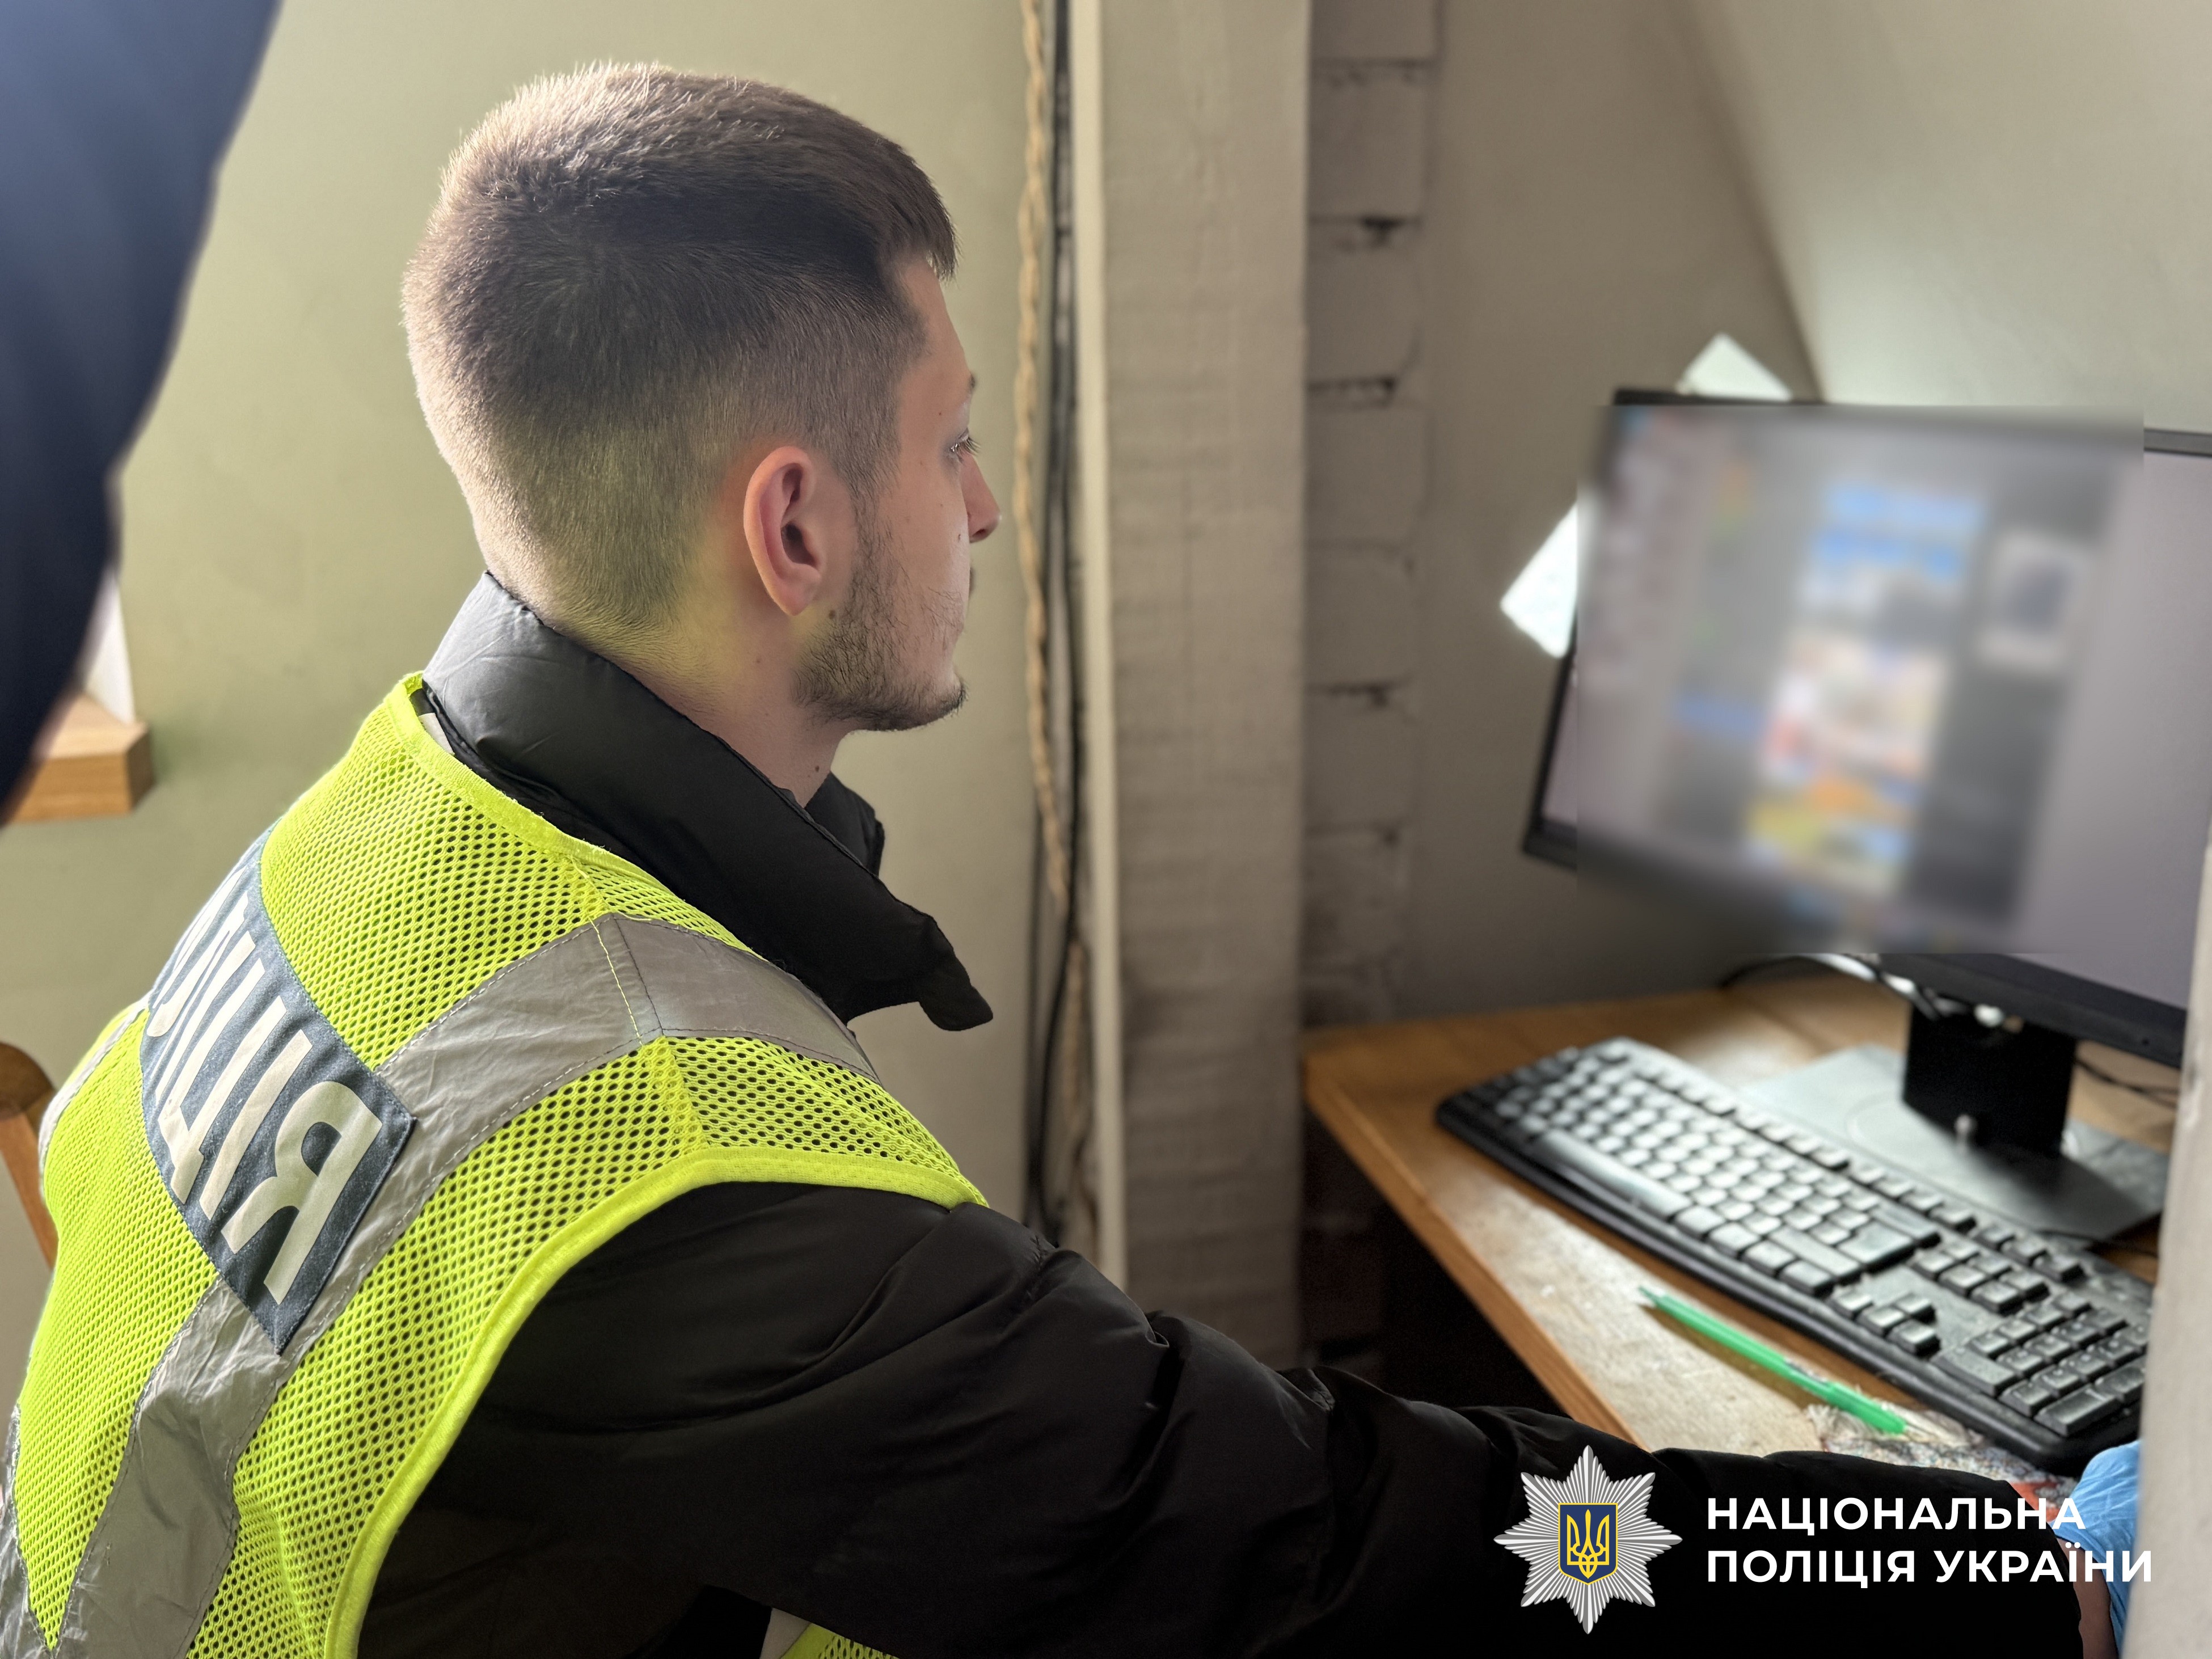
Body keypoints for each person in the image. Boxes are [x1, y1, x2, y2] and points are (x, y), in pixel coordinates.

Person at [6, 67, 2114, 1659]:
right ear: (795, 526)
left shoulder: (394, 831)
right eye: (950, 440)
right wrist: (1975, 1561)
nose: (987, 503)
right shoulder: (660, 1175)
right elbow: (1308, 1536)